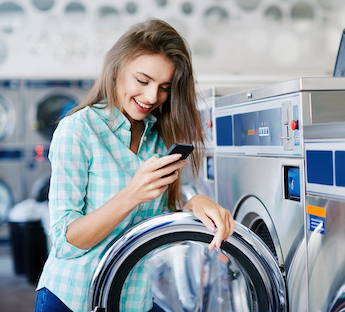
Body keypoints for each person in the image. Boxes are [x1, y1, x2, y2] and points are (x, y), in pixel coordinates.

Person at [34, 19, 235, 312]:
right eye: (142, 81)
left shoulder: (157, 136)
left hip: (133, 301)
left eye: (164, 87)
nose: (152, 97)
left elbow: (156, 222)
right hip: (74, 300)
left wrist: (194, 204)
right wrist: (131, 194)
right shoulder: (78, 130)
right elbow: (66, 243)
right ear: (116, 71)